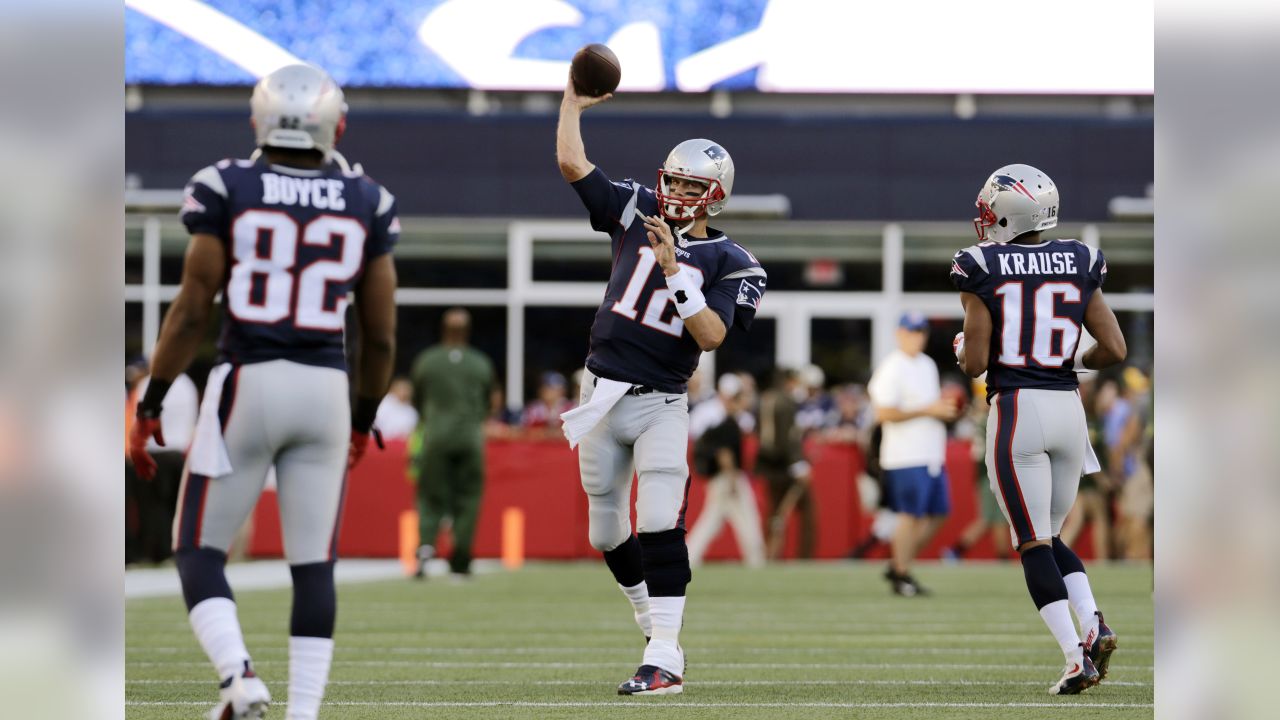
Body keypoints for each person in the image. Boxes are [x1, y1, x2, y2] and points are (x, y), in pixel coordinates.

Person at [126, 64, 398, 720]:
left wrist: (151, 400)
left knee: (197, 548)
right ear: (336, 123)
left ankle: (238, 674)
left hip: (248, 377)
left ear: (259, 119)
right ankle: (303, 714)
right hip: (326, 389)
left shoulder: (226, 184)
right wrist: (363, 419)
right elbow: (381, 336)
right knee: (313, 566)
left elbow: (192, 310)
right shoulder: (368, 198)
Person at [556, 74, 767, 696]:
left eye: (689, 186)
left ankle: (666, 656)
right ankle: (654, 629)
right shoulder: (632, 209)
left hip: (660, 405)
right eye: (671, 180)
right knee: (604, 531)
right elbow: (573, 161)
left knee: (658, 521)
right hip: (600, 394)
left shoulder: (734, 261)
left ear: (715, 197)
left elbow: (709, 336)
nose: (674, 193)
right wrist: (572, 102)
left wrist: (676, 269)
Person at [951, 163, 1126, 694]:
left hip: (1018, 409)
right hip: (1069, 408)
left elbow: (977, 362)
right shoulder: (1079, 259)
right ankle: (1094, 622)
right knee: (1049, 536)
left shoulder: (980, 264)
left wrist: (961, 350)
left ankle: (1077, 658)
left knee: (1031, 542)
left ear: (1005, 213)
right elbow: (1115, 349)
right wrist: (1074, 359)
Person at [868, 311, 958, 596]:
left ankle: (899, 564)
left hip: (931, 452)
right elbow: (883, 412)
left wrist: (943, 412)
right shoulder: (891, 367)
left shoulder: (927, 365)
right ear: (899, 334)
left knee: (938, 513)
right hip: (904, 454)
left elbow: (928, 407)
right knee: (910, 515)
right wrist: (928, 410)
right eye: (912, 331)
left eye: (921, 332)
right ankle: (902, 573)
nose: (917, 337)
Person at [409, 308, 495, 579]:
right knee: (468, 497)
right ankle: (461, 555)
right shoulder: (480, 362)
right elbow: (490, 402)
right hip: (470, 437)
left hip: (436, 436)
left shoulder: (427, 361)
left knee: (430, 495)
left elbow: (417, 401)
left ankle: (425, 547)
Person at [687, 377, 765, 568]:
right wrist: (732, 480)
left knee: (712, 521)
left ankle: (688, 557)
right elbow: (725, 455)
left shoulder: (725, 422)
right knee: (747, 519)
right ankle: (756, 561)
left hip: (721, 479)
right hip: (728, 478)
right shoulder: (728, 424)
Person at [125, 361, 198, 564]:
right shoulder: (187, 385)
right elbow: (192, 420)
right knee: (178, 505)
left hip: (153, 451)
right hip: (179, 451)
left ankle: (157, 552)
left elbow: (137, 420)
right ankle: (178, 549)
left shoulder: (146, 385)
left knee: (153, 506)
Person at [942, 382, 1013, 561]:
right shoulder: (988, 419)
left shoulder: (981, 419)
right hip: (989, 471)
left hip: (987, 471)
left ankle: (1001, 556)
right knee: (989, 517)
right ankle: (955, 551)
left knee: (996, 517)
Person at [756, 368, 816, 560]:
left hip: (768, 463)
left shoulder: (765, 399)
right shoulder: (786, 402)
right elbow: (788, 438)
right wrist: (798, 464)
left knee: (774, 513)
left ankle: (772, 556)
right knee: (806, 513)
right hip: (785, 466)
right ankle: (803, 557)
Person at [520, 371, 574, 439]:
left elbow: (577, 432)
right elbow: (523, 432)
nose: (546, 390)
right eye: (544, 386)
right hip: (538, 448)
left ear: (563, 390)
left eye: (551, 388)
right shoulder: (533, 408)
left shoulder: (571, 407)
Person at [374, 376, 420, 442]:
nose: (404, 392)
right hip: (382, 441)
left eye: (407, 389)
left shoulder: (412, 412)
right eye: (402, 389)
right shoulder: (384, 403)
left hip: (400, 444)